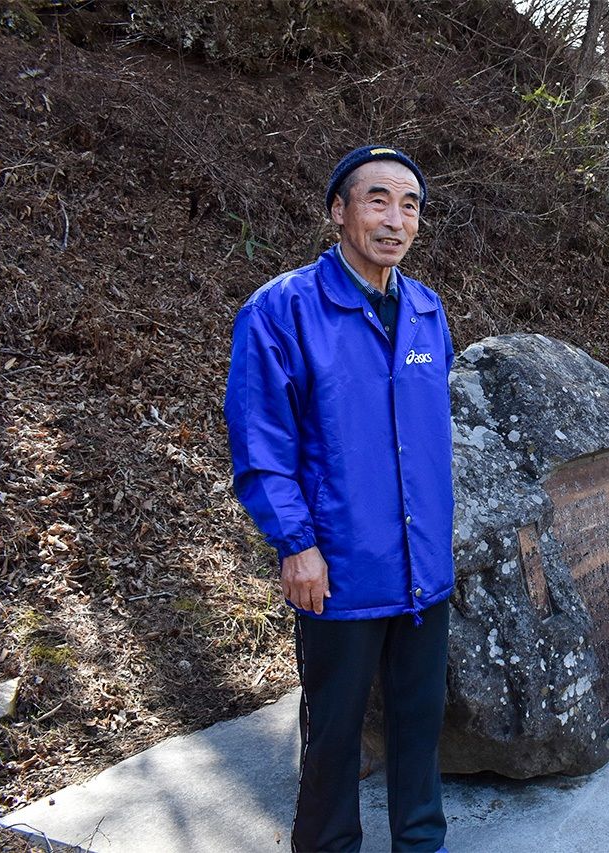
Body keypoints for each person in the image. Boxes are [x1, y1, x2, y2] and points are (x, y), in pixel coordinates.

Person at [224, 145, 455, 853]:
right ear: (339, 211)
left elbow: (424, 441)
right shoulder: (282, 311)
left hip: (422, 570)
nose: (396, 219)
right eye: (377, 200)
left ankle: (422, 844)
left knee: (421, 728)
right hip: (339, 570)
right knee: (333, 736)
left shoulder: (424, 309)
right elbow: (261, 447)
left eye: (409, 204)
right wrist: (297, 545)